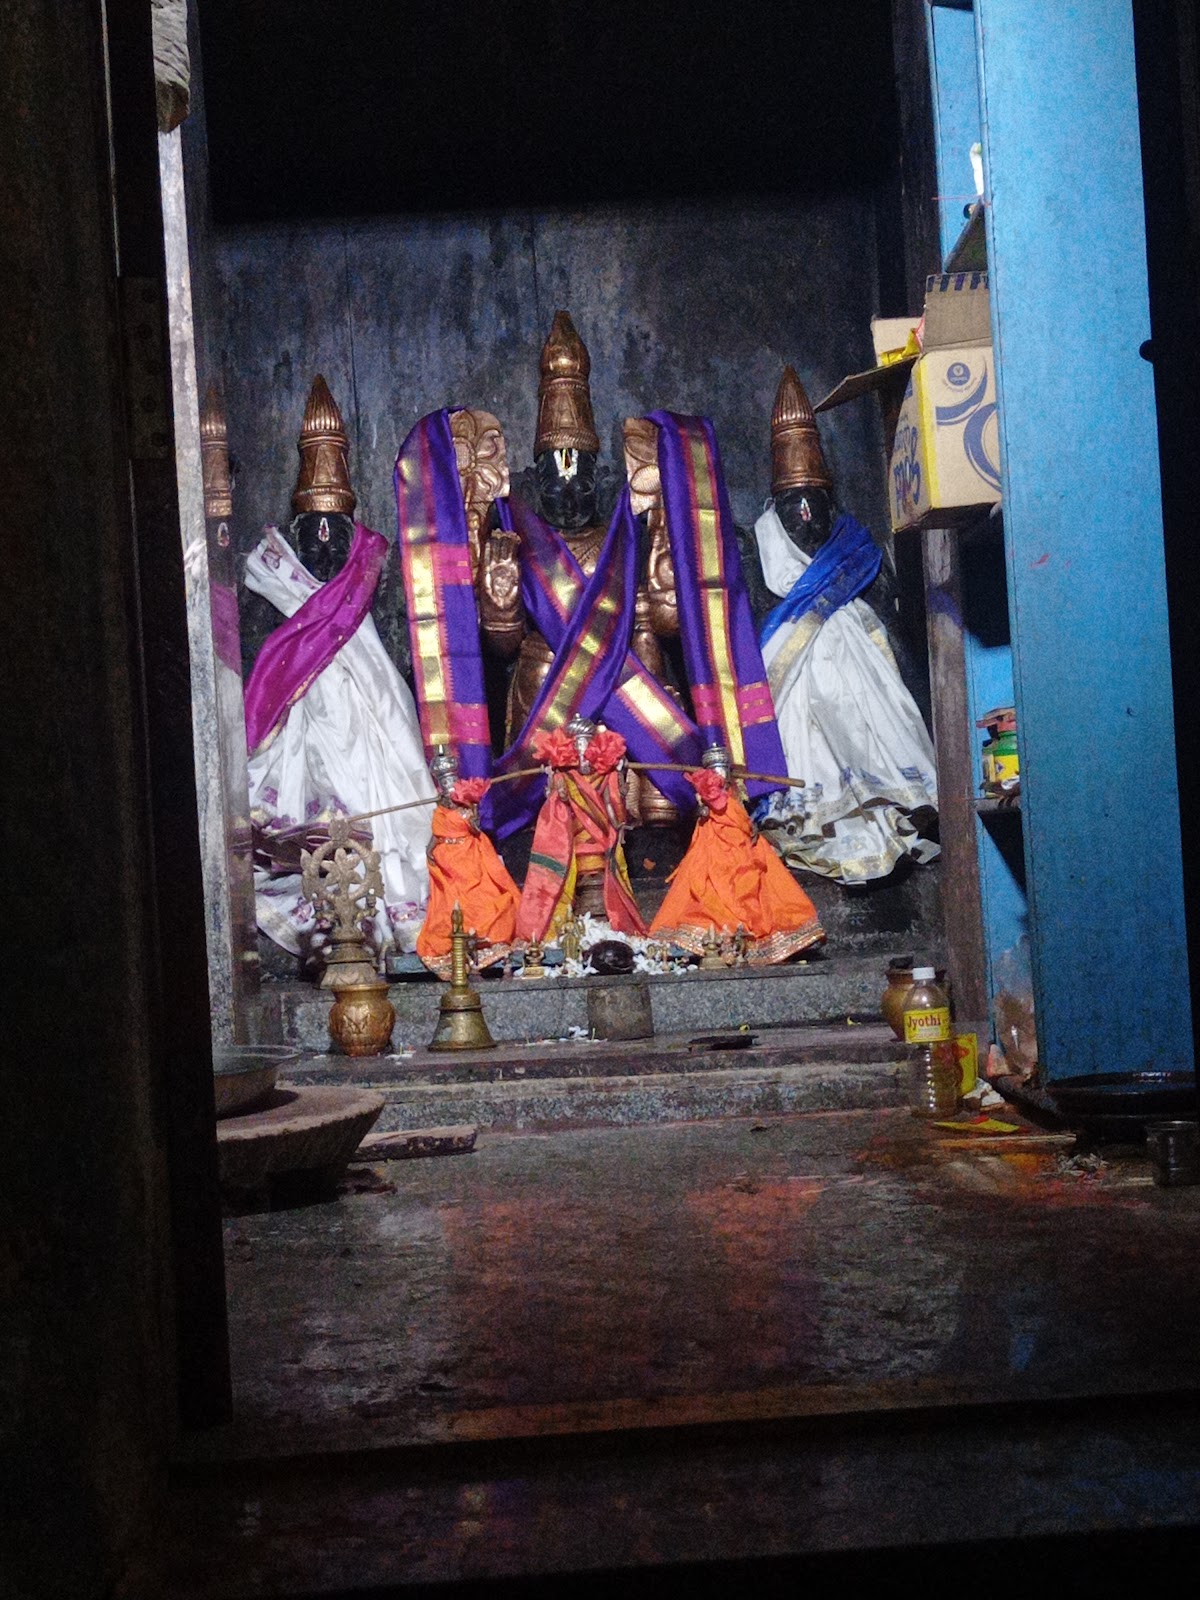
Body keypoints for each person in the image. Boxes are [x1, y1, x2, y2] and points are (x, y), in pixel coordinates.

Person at [244, 376, 435, 957]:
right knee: (311, 822)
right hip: (302, 730)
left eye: (335, 528)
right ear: (300, 530)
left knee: (385, 810)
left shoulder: (374, 568)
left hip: (374, 728)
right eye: (314, 529)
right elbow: (263, 664)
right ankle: (323, 920)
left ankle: (373, 918)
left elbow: (403, 650)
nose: (324, 541)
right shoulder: (270, 576)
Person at [753, 367, 939, 883]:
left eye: (815, 502)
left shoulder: (855, 548)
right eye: (795, 505)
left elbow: (891, 618)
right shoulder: (760, 551)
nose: (807, 515)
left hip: (863, 695)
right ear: (779, 506)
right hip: (795, 709)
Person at [650, 746, 825, 962]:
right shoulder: (705, 791)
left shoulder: (734, 793)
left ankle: (768, 938)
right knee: (708, 883)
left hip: (739, 837)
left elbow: (739, 811)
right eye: (716, 769)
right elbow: (704, 808)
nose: (720, 774)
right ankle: (713, 936)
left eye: (722, 769)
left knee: (755, 882)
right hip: (714, 838)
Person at [515, 718, 646, 943]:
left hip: (600, 836)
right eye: (579, 746)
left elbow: (610, 806)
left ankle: (607, 913)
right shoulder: (564, 775)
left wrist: (617, 823)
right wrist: (555, 781)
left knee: (601, 866)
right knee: (572, 868)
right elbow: (559, 803)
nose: (583, 755)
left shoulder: (604, 775)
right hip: (575, 836)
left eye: (587, 745)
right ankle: (572, 915)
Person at [416, 748, 520, 978]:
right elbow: (438, 832)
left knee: (482, 895)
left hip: (468, 852)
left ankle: (483, 938)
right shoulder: (441, 808)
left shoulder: (467, 804)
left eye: (452, 783)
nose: (449, 788)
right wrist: (430, 848)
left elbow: (475, 829)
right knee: (451, 900)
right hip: (447, 855)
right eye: (445, 784)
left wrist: (472, 819)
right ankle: (457, 942)